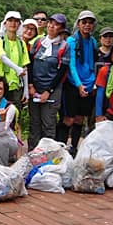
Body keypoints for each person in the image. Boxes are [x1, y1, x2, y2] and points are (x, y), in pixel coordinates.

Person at [27, 14, 70, 148]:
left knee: (48, 124)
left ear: (61, 28)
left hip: (52, 89)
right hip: (35, 88)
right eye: (50, 22)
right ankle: (31, 154)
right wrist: (31, 85)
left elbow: (62, 71)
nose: (52, 26)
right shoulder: (39, 42)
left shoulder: (64, 46)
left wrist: (48, 91)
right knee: (34, 123)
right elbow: (30, 64)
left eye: (56, 24)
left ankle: (47, 157)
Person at [57, 10, 98, 149]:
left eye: (90, 22)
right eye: (84, 22)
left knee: (80, 118)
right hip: (73, 85)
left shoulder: (92, 41)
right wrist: (79, 85)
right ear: (78, 24)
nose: (87, 25)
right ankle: (60, 147)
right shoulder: (71, 41)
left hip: (88, 84)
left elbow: (93, 63)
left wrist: (92, 84)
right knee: (68, 118)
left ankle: (74, 147)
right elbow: (72, 65)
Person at [0, 11, 29, 106]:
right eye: (10, 20)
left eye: (16, 21)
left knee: (14, 116)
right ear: (5, 23)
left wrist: (26, 90)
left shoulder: (21, 44)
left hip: (16, 87)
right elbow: (2, 57)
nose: (13, 23)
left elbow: (24, 67)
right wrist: (17, 69)